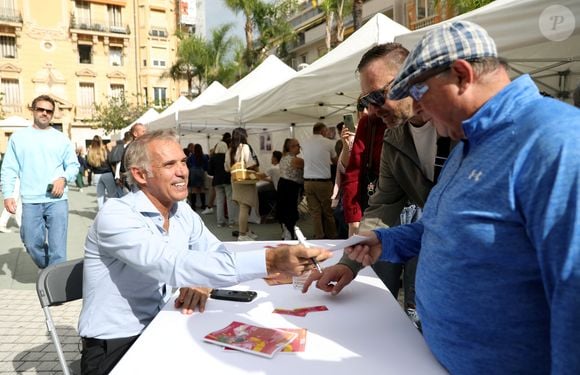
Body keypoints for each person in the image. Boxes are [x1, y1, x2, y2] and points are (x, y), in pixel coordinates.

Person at [344, 21, 580, 373]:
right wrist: (384, 240)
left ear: (461, 74)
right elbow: (441, 227)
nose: (419, 108)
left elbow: (573, 290)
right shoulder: (468, 143)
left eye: (421, 93)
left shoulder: (555, 140)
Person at [78, 129, 331, 374]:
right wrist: (270, 261)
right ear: (140, 175)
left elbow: (215, 253)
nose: (183, 172)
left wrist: (203, 280)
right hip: (119, 343)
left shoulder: (181, 210)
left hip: (165, 324)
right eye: (169, 165)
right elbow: (171, 265)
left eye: (183, 162)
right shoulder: (116, 215)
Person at [1, 95, 79, 268]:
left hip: (57, 200)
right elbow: (8, 169)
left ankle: (55, 283)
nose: (45, 113)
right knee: (31, 243)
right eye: (41, 109)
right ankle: (47, 269)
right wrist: (7, 194)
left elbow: (73, 165)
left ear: (52, 114)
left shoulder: (61, 138)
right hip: (31, 200)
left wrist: (63, 178)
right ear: (33, 110)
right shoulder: (18, 138)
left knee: (58, 249)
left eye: (49, 111)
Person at [300, 122, 338, 239]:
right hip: (323, 182)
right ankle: (332, 235)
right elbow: (336, 161)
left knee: (315, 212)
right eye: (326, 131)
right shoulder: (329, 143)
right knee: (328, 212)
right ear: (322, 131)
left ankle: (319, 236)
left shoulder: (304, 143)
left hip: (308, 182)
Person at [224, 128, 260, 241]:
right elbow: (250, 163)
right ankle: (242, 234)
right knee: (245, 207)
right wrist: (257, 168)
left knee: (242, 206)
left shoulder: (229, 150)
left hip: (235, 180)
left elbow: (226, 168)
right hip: (245, 180)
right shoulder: (244, 147)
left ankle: (247, 231)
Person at [276, 139, 304, 240]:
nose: (299, 147)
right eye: (297, 145)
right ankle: (290, 231)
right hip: (291, 186)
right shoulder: (296, 160)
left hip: (283, 184)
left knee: (284, 208)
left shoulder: (284, 157)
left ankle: (286, 230)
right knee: (291, 209)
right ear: (291, 147)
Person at [208, 132, 235, 227]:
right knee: (229, 201)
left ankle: (220, 222)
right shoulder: (228, 156)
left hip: (217, 181)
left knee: (219, 202)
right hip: (227, 180)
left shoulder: (213, 158)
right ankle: (231, 222)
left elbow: (210, 172)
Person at [87, 135, 118, 209]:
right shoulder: (105, 149)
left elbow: (89, 164)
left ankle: (101, 213)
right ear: (101, 141)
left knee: (100, 197)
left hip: (96, 175)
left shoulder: (90, 151)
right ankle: (113, 211)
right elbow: (111, 161)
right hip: (107, 173)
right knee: (112, 195)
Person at [186, 144, 209, 211]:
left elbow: (188, 164)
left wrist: (192, 168)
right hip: (201, 173)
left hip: (193, 173)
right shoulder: (204, 156)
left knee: (194, 190)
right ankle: (203, 205)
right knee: (202, 189)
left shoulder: (191, 156)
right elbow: (206, 166)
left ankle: (193, 206)